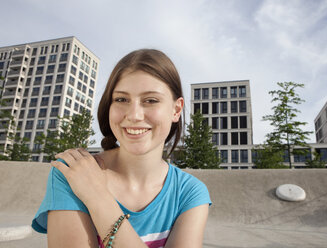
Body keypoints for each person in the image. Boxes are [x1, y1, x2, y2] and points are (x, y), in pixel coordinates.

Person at [32, 49, 211, 248]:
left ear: (176, 110)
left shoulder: (190, 193)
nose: (134, 115)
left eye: (150, 100)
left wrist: (97, 197)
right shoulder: (72, 172)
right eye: (121, 99)